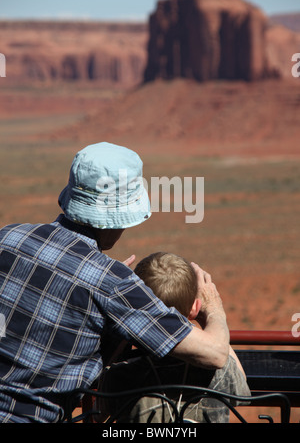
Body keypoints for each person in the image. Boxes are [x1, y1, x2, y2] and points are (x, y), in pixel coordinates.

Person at [0, 142, 229, 423]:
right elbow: (215, 354)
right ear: (116, 219)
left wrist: (96, 281)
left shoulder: (8, 238)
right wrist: (212, 303)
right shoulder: (114, 282)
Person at [97, 252, 251, 423]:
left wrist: (126, 317)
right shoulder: (219, 371)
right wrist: (212, 313)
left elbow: (99, 415)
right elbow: (242, 390)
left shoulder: (122, 373)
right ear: (195, 307)